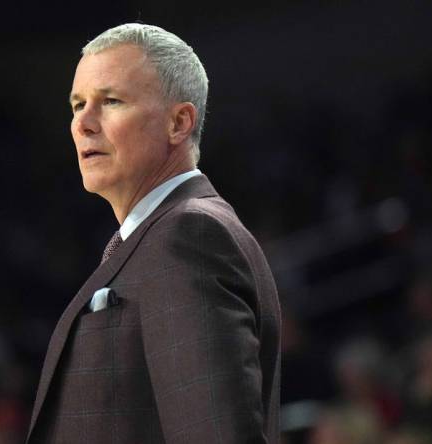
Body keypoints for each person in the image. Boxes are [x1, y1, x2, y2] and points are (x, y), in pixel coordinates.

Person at [27, 23, 281, 443]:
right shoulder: (160, 237)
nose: (83, 124)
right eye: (77, 105)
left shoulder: (190, 237)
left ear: (179, 123)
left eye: (110, 101)